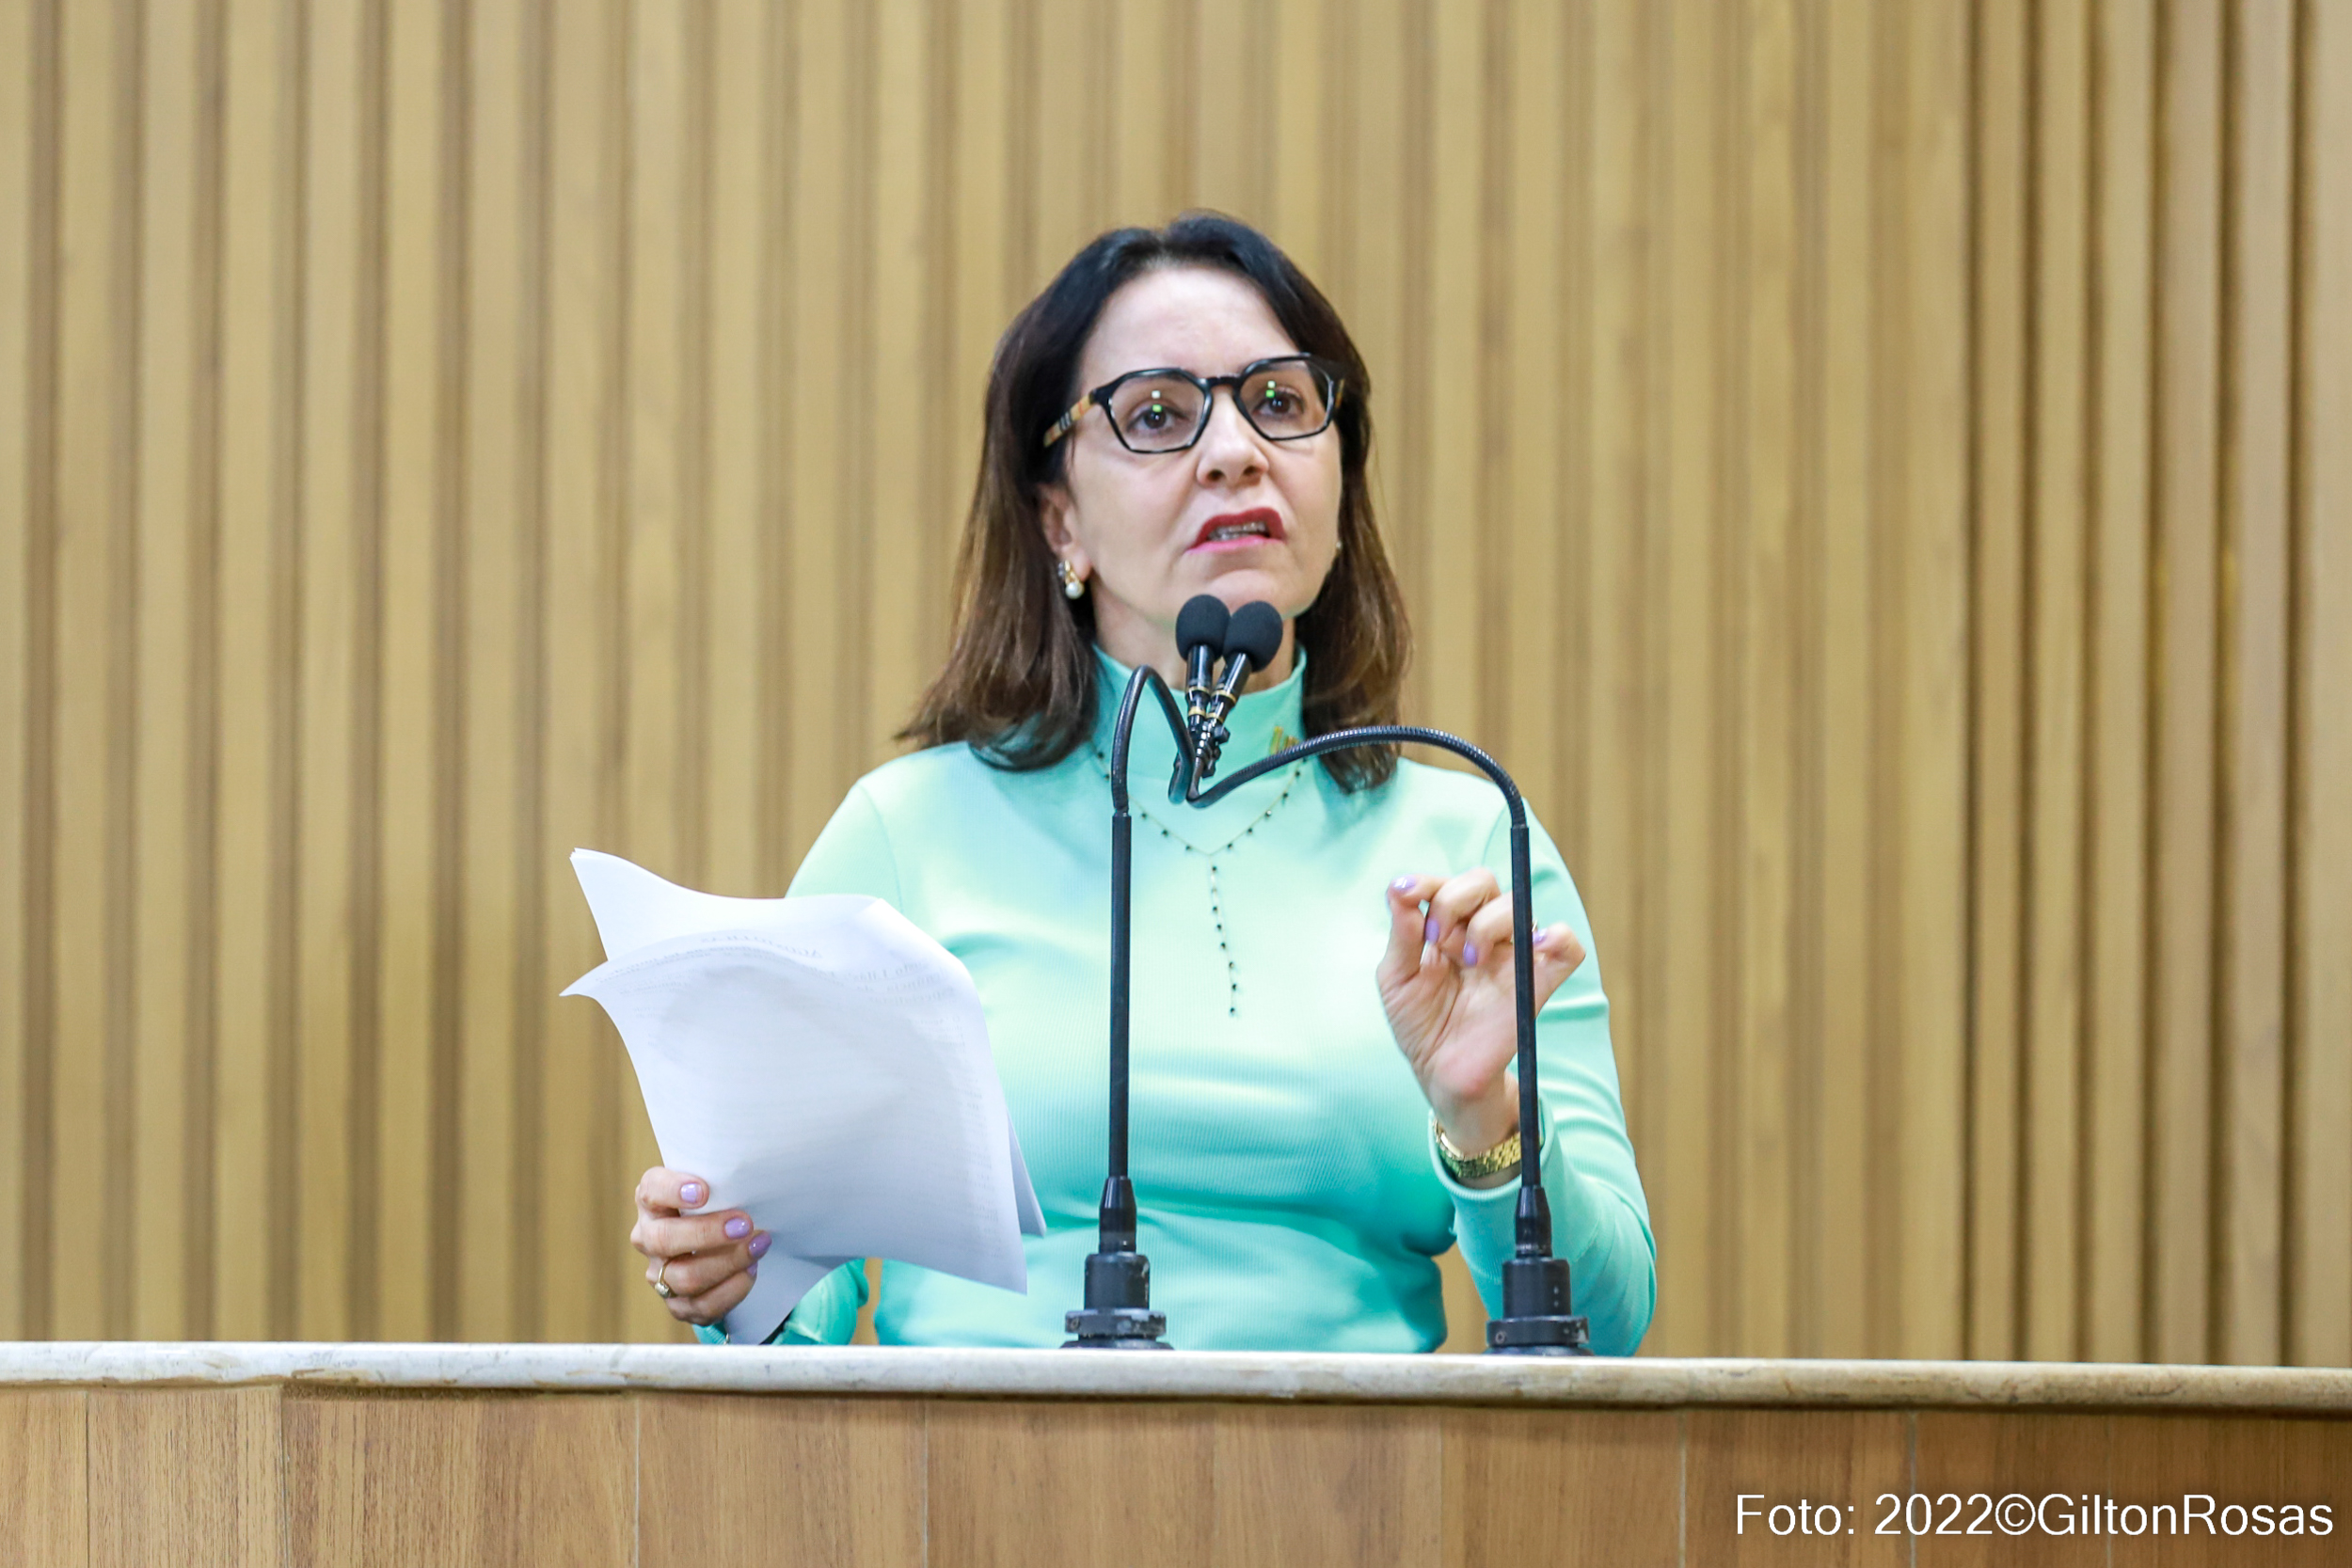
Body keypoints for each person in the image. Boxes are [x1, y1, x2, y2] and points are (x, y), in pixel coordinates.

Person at [628, 214, 1656, 1354]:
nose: (1234, 451)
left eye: (1279, 402)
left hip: (1362, 1466)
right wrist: (734, 1272)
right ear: (1059, 518)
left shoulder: (1471, 843)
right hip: (968, 1462)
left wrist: (1484, 1123)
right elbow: (798, 1316)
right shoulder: (908, 835)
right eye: (1159, 414)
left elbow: (1609, 1326)